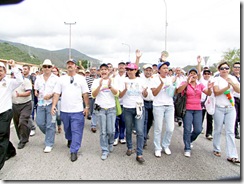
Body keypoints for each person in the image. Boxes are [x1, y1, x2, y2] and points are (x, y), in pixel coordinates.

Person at [51, 59, 89, 162]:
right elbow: (57, 93)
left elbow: (85, 94)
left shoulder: (81, 79)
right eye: (68, 64)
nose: (70, 66)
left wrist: (87, 107)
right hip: (65, 110)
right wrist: (53, 105)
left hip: (77, 110)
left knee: (76, 130)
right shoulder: (61, 79)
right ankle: (69, 139)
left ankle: (74, 150)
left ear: (76, 66)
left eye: (72, 64)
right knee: (67, 129)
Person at [176, 68, 213, 157]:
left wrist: (210, 88)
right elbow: (179, 91)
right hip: (187, 109)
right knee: (187, 129)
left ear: (197, 76)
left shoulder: (200, 85)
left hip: (198, 109)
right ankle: (187, 147)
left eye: (194, 74)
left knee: (198, 130)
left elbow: (208, 93)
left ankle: (189, 140)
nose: (193, 75)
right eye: (191, 73)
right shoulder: (184, 83)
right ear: (188, 75)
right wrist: (187, 83)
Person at [213, 62, 240, 163]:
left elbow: (238, 90)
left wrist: (232, 83)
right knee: (218, 129)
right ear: (219, 70)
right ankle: (216, 148)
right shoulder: (216, 79)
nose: (224, 70)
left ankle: (232, 155)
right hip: (219, 107)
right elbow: (216, 92)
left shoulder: (232, 78)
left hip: (230, 108)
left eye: (226, 68)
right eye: (222, 68)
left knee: (230, 131)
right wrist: (227, 87)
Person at [119, 63, 146, 163]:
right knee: (129, 129)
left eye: (131, 69)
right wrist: (126, 89)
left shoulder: (140, 80)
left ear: (136, 70)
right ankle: (129, 147)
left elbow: (145, 95)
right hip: (127, 108)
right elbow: (120, 96)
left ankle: (139, 153)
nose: (129, 71)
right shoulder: (124, 81)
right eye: (128, 70)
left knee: (139, 130)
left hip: (139, 107)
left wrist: (145, 92)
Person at [91, 63, 118, 160]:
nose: (103, 71)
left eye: (105, 69)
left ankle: (110, 142)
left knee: (111, 131)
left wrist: (110, 86)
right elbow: (93, 95)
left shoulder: (113, 80)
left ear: (108, 71)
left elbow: (117, 93)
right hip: (101, 109)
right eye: (101, 69)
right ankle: (104, 150)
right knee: (103, 132)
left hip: (111, 109)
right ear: (99, 72)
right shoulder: (96, 81)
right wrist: (99, 86)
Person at [0, 60, 23, 170]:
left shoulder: (9, 82)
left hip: (5, 112)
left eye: (0, 70)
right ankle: (11, 150)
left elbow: (19, 80)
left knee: (2, 136)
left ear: (4, 71)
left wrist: (14, 67)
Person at [151, 61, 175, 157]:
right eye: (164, 68)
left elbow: (172, 92)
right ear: (159, 70)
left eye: (167, 68)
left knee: (170, 128)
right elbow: (154, 93)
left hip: (169, 105)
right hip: (158, 106)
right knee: (158, 128)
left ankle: (166, 145)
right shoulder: (154, 79)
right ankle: (157, 148)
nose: (166, 70)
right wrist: (161, 84)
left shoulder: (170, 79)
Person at [34, 59, 59, 153]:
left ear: (51, 67)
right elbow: (36, 88)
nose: (47, 68)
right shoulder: (38, 78)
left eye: (49, 66)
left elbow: (58, 91)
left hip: (51, 104)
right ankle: (50, 134)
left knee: (50, 124)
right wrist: (36, 92)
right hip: (41, 103)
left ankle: (49, 143)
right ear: (42, 68)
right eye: (45, 66)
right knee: (40, 122)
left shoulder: (56, 78)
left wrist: (51, 95)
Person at [12, 67, 32, 149]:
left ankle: (23, 140)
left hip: (25, 105)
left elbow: (28, 92)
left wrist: (20, 95)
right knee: (17, 123)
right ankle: (21, 136)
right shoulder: (11, 82)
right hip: (14, 105)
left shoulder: (26, 81)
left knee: (22, 121)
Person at [197, 56, 214, 140]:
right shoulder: (201, 80)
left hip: (210, 102)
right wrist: (199, 63)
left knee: (210, 118)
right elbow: (199, 73)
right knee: (201, 116)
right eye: (205, 74)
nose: (206, 75)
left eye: (208, 74)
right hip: (202, 101)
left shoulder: (213, 80)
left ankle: (209, 133)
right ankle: (199, 128)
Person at [140, 64, 154, 148]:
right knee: (144, 122)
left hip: (153, 102)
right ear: (144, 70)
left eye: (150, 70)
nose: (148, 72)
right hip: (143, 102)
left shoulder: (155, 79)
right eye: (146, 70)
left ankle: (146, 134)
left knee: (150, 122)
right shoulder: (141, 78)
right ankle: (143, 140)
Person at [113, 62, 127, 146]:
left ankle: (122, 136)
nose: (121, 67)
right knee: (115, 121)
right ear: (118, 67)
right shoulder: (114, 76)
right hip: (116, 101)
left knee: (123, 120)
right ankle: (115, 136)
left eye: (123, 65)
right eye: (120, 65)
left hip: (125, 102)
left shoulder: (127, 76)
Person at [22, 65, 37, 137]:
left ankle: (32, 128)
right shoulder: (20, 78)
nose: (24, 70)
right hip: (21, 99)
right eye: (23, 69)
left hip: (30, 98)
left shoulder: (32, 77)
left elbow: (36, 87)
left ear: (29, 70)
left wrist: (31, 85)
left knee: (29, 115)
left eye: (25, 69)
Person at [85, 66, 99, 133]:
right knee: (91, 111)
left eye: (94, 69)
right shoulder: (87, 79)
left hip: (98, 97)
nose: (93, 71)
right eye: (92, 70)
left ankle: (93, 125)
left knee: (95, 111)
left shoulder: (99, 79)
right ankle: (94, 123)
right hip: (90, 97)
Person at [51, 66, 62, 134]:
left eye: (55, 71)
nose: (54, 72)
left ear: (57, 72)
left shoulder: (60, 80)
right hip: (50, 99)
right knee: (52, 115)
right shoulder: (49, 80)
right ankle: (53, 128)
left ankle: (59, 125)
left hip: (59, 99)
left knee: (58, 115)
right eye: (52, 71)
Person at [231, 62, 240, 139]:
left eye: (238, 67)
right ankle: (235, 131)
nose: (237, 69)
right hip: (234, 98)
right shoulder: (231, 77)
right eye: (235, 67)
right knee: (235, 116)